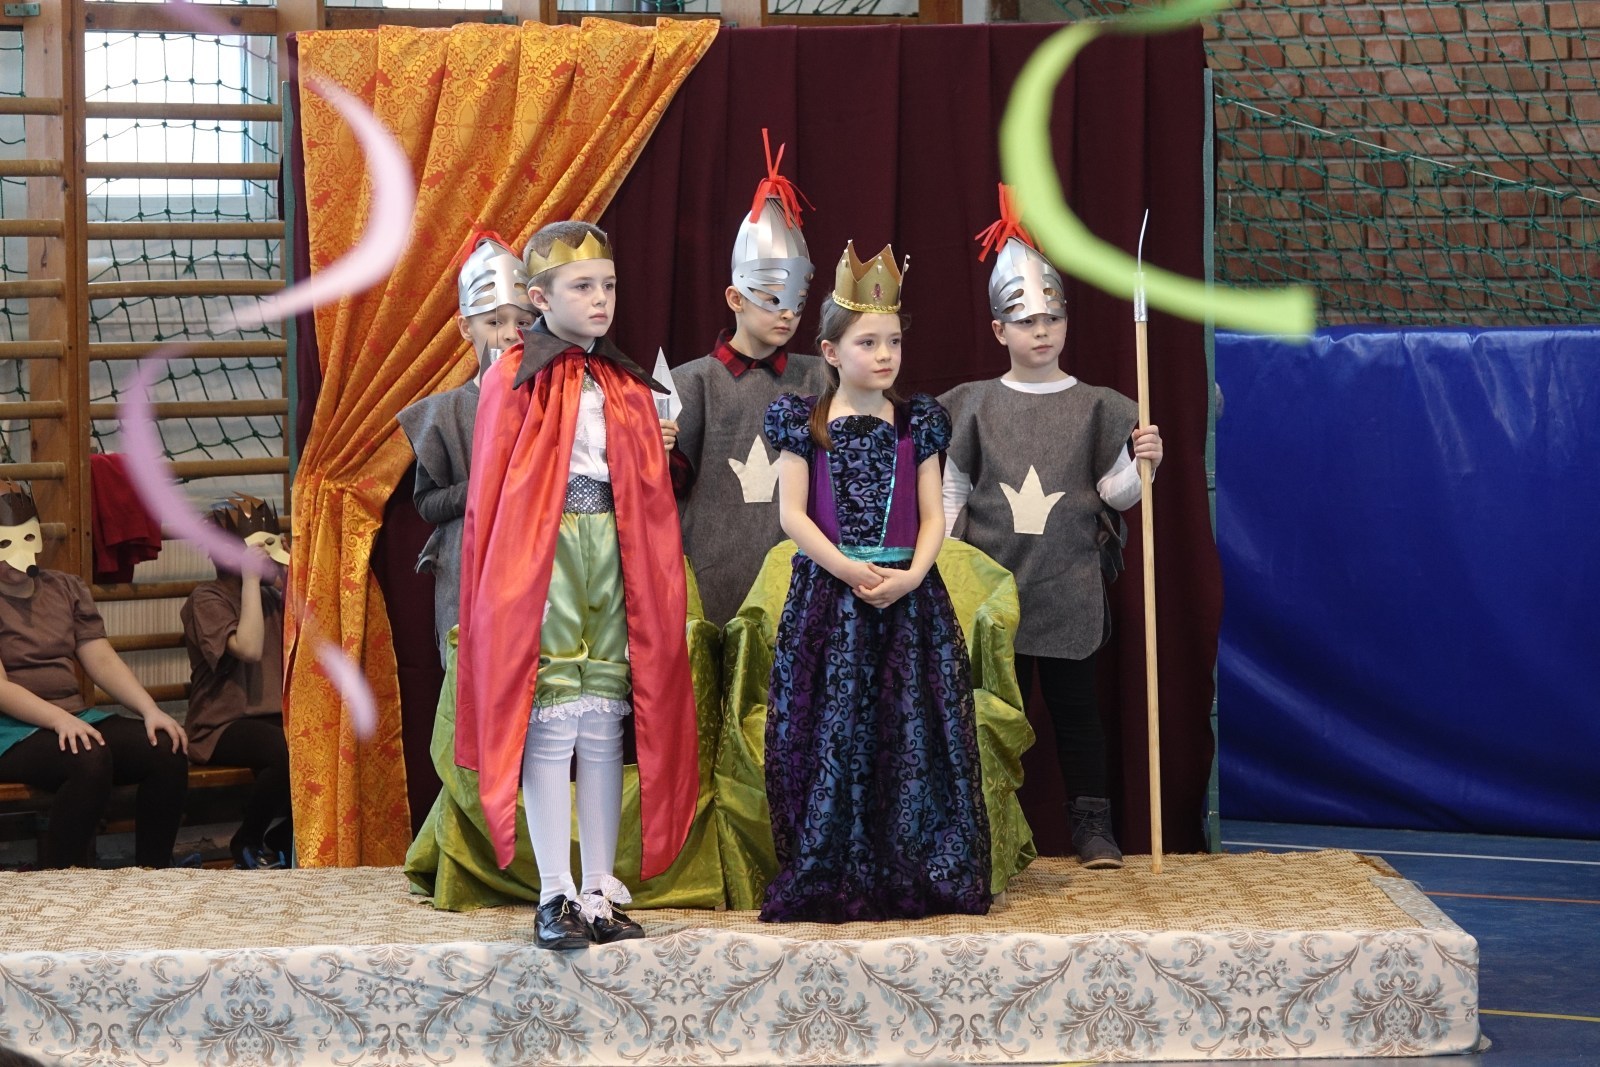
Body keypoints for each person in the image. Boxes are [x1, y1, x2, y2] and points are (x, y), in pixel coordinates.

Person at [453, 221, 699, 948]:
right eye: (582, 286)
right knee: (554, 716)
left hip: (614, 556)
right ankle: (553, 891)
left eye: (609, 285)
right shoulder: (511, 378)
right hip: (544, 558)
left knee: (601, 721)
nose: (600, 299)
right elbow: (492, 498)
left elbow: (644, 487)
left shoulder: (622, 381)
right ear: (539, 297)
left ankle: (597, 889)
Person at [760, 242, 991, 923]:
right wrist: (845, 568)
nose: (885, 354)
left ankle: (909, 863)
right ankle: (834, 864)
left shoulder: (918, 422)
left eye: (893, 341)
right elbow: (792, 515)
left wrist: (913, 574)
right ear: (831, 351)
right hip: (831, 600)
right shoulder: (803, 421)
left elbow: (933, 514)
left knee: (908, 728)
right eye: (868, 342)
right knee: (835, 728)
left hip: (908, 603)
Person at [940, 187, 1164, 870]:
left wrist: (1144, 464)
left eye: (1052, 318)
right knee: (986, 715)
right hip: (994, 589)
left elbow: (1115, 494)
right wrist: (944, 567)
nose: (1041, 331)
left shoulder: (1098, 406)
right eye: (1026, 321)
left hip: (1067, 583)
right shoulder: (974, 405)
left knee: (1076, 715)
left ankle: (1092, 827)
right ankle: (977, 828)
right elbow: (952, 491)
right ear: (999, 331)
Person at [670, 132, 831, 626]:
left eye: (797, 304)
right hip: (715, 578)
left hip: (805, 579)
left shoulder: (818, 376)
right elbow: (665, 489)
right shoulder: (692, 383)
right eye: (771, 298)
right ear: (735, 297)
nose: (787, 315)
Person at [0, 479, 188, 869]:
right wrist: (58, 719)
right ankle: (59, 876)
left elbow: (100, 658)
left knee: (165, 747)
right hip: (10, 730)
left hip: (75, 716)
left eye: (24, 539)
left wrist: (150, 709)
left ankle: (154, 873)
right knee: (89, 758)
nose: (14, 556)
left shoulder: (65, 588)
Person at [397, 233, 535, 664]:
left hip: (540, 573)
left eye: (524, 322)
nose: (511, 335)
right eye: (494, 322)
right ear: (465, 327)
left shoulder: (556, 400)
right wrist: (478, 490)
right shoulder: (446, 413)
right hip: (469, 576)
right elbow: (427, 502)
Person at [180, 493, 293, 869]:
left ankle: (284, 837)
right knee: (280, 751)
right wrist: (250, 581)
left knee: (319, 747)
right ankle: (247, 840)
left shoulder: (271, 596)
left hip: (272, 716)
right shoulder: (205, 599)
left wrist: (286, 579)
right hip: (221, 724)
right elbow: (249, 647)